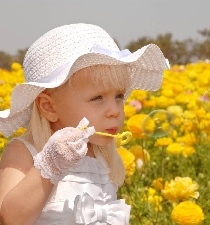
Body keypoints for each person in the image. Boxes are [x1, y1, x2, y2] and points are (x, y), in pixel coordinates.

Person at [0, 23, 169, 224]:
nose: (115, 110)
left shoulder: (100, 154)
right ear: (49, 107)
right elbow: (8, 218)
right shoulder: (25, 152)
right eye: (97, 98)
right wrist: (50, 165)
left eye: (119, 96)